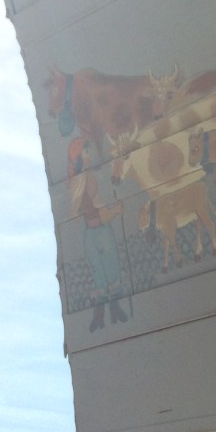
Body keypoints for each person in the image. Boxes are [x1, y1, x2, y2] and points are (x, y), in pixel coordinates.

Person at [67, 137, 127, 331]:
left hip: (101, 230)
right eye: (86, 152)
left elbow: (96, 208)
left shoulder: (88, 177)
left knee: (110, 269)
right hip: (93, 232)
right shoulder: (80, 181)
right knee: (98, 271)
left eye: (88, 152)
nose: (89, 156)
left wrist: (114, 210)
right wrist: (114, 211)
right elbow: (86, 208)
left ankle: (114, 310)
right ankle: (100, 316)